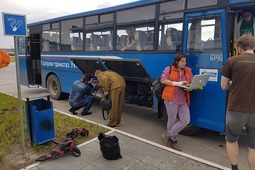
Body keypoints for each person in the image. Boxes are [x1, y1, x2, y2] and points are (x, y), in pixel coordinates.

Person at [220, 34, 255, 170]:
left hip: (236, 108)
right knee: (253, 145)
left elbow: (223, 86)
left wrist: (232, 83)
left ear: (239, 48)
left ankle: (235, 168)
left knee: (232, 139)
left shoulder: (232, 61)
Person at [160, 52, 193, 151]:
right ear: (176, 61)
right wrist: (178, 83)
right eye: (182, 61)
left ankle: (167, 136)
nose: (184, 63)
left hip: (182, 99)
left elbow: (190, 81)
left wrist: (191, 86)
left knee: (185, 120)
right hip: (171, 98)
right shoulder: (169, 69)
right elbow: (163, 80)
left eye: (185, 61)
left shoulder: (187, 71)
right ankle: (173, 140)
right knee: (172, 119)